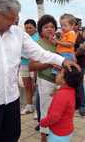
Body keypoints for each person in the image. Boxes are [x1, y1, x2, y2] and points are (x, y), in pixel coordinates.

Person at [0, 0, 79, 142]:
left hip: (11, 98)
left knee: (12, 136)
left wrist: (62, 61)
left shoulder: (17, 33)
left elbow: (39, 53)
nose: (14, 23)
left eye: (16, 19)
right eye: (11, 19)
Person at [29, 14, 60, 142]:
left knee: (58, 110)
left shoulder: (58, 43)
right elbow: (32, 66)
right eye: (46, 26)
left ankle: (57, 134)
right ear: (41, 29)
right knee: (45, 109)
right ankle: (44, 136)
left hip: (60, 82)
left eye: (52, 26)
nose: (49, 29)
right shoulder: (37, 44)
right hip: (46, 81)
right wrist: (49, 63)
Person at [40, 66, 82, 142]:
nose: (56, 74)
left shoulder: (62, 94)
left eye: (60, 72)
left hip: (58, 134)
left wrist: (43, 122)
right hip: (66, 131)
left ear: (65, 79)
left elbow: (54, 116)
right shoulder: (71, 91)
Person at [20, 19, 39, 115]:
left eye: (30, 27)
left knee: (36, 86)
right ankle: (29, 106)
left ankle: (37, 109)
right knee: (27, 86)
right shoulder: (23, 36)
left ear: (35, 28)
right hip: (23, 63)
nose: (28, 30)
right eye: (26, 28)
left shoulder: (38, 37)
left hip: (34, 64)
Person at [74, 18, 85, 116]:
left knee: (80, 85)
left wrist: (73, 54)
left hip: (80, 63)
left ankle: (82, 106)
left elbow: (83, 50)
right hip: (70, 63)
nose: (73, 26)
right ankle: (75, 104)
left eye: (75, 24)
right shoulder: (66, 35)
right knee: (72, 84)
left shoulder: (81, 37)